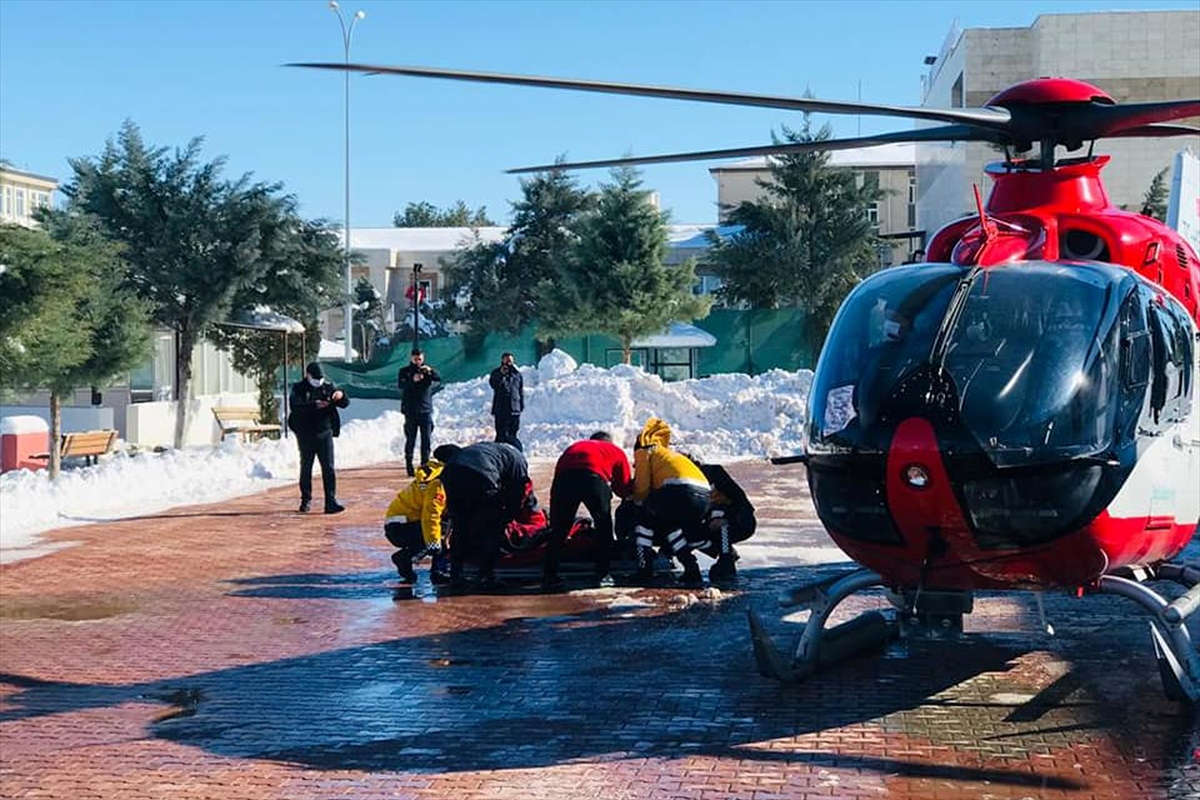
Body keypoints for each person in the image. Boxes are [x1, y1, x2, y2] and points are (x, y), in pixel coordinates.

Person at [541, 431, 634, 592]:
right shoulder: (615, 451)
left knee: (559, 529)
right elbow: (623, 488)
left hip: (563, 480)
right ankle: (603, 575)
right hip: (593, 478)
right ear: (609, 442)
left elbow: (558, 477)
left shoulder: (575, 447)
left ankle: (550, 575)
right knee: (603, 526)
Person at [628, 418, 711, 587]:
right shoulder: (669, 453)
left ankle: (644, 569)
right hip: (703, 494)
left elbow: (642, 488)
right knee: (670, 527)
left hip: (678, 489)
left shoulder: (646, 449)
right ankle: (691, 569)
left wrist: (635, 503)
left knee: (644, 520)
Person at [436, 441, 529, 590]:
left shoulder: (491, 449)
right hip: (480, 474)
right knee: (492, 528)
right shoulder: (519, 460)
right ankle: (485, 576)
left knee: (461, 525)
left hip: (450, 471)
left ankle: (456, 575)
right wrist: (506, 517)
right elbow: (517, 492)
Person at [287, 362, 350, 514]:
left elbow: (344, 403)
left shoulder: (327, 386)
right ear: (308, 375)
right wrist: (314, 405)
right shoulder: (298, 388)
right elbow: (295, 406)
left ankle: (331, 501)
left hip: (325, 431)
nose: (318, 382)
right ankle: (306, 500)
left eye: (320, 379)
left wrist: (341, 395)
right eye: (315, 379)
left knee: (328, 467)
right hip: (306, 433)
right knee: (306, 466)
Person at [383, 455, 452, 584]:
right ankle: (434, 571)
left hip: (399, 525)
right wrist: (433, 545)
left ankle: (408, 560)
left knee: (441, 528)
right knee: (439, 531)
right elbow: (431, 516)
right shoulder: (438, 483)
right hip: (400, 528)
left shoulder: (433, 475)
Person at [686, 461, 757, 583]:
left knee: (720, 527)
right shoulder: (686, 483)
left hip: (739, 520)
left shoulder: (713, 474)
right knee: (691, 533)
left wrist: (723, 517)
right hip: (713, 522)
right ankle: (725, 551)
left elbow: (738, 500)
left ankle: (726, 559)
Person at [396, 348, 441, 477]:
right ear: (411, 358)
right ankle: (409, 465)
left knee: (426, 439)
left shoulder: (427, 370)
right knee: (411, 438)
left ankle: (424, 465)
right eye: (415, 359)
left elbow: (438, 378)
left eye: (420, 359)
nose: (417, 362)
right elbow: (401, 385)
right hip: (410, 410)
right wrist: (412, 379)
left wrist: (430, 371)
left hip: (425, 410)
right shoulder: (404, 371)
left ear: (423, 358)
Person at [488, 352, 524, 451]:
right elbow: (494, 385)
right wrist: (501, 374)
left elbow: (520, 391)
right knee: (501, 434)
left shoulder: (517, 374)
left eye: (510, 361)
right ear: (502, 360)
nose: (509, 363)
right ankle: (499, 453)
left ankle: (513, 452)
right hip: (501, 409)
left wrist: (521, 406)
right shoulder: (496, 373)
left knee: (513, 433)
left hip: (514, 409)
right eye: (507, 360)